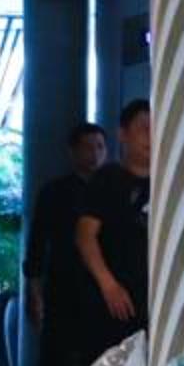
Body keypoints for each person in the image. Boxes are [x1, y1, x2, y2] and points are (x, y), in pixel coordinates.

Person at [19, 122, 110, 366]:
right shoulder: (55, 192)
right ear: (73, 151)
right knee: (52, 359)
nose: (94, 154)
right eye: (87, 147)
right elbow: (37, 244)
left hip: (101, 291)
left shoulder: (113, 190)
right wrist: (34, 290)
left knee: (96, 358)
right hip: (62, 286)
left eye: (100, 147)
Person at [77, 99, 153, 334]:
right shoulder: (107, 179)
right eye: (144, 128)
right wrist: (108, 284)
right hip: (116, 299)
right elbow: (85, 236)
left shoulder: (168, 182)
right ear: (123, 134)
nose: (151, 136)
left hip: (156, 298)